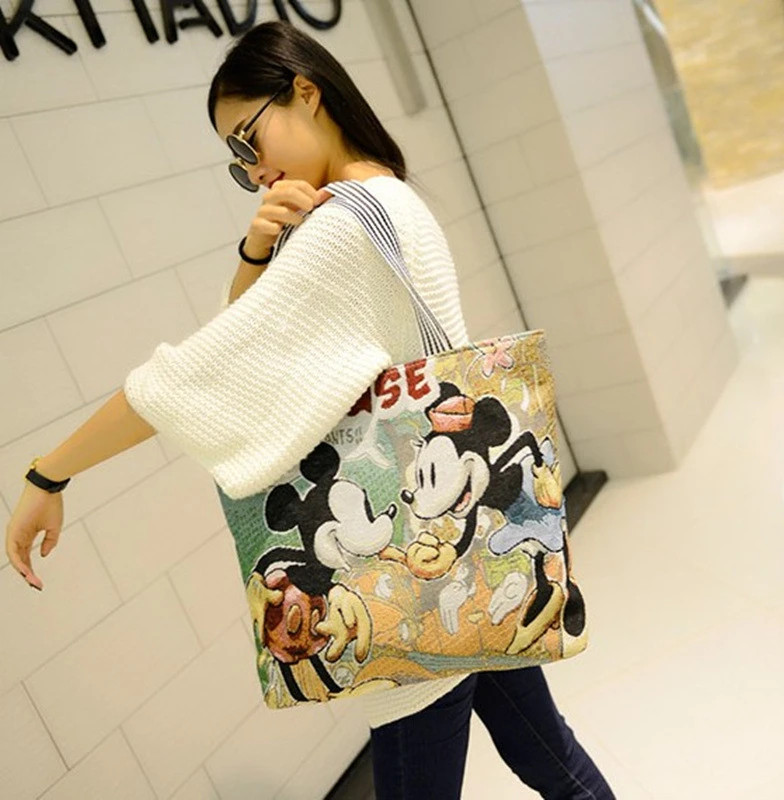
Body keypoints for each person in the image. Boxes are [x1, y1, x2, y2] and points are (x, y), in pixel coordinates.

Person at [5, 20, 614, 800]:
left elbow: (200, 374)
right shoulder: (387, 199)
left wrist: (48, 474)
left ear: (305, 91)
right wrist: (257, 252)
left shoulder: (338, 232)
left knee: (531, 764)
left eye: (249, 137)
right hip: (460, 554)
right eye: (238, 161)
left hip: (403, 582)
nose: (255, 169)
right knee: (554, 764)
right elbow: (245, 336)